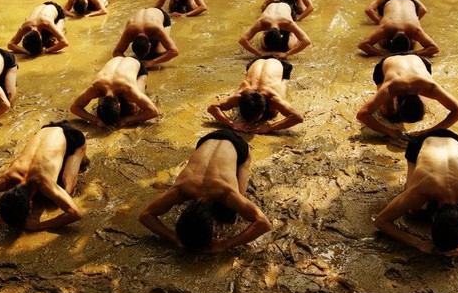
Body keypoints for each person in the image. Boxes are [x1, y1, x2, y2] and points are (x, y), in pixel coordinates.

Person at [374, 130, 458, 255]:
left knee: (418, 206)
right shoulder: (421, 191)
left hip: (456, 142)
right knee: (414, 210)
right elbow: (380, 221)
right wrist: (418, 243)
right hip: (420, 143)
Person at [139, 129, 272, 252]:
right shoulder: (181, 189)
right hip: (207, 141)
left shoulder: (227, 193)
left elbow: (264, 223)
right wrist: (174, 237)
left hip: (238, 146)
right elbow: (145, 215)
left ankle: (241, 165)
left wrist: (226, 244)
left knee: (231, 214)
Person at [0, 122, 86, 230]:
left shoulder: (43, 181)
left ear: (30, 204)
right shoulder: (8, 178)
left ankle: (82, 153)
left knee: (68, 188)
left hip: (71, 137)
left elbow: (76, 213)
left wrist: (39, 225)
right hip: (45, 130)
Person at [356, 54, 458, 139]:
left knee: (425, 109)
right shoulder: (390, 88)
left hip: (419, 61)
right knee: (388, 113)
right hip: (387, 63)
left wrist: (431, 131)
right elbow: (362, 114)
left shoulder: (430, 86)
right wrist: (389, 132)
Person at [208, 58, 303, 133]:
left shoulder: (273, 100)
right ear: (240, 103)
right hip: (254, 63)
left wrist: (269, 128)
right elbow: (212, 107)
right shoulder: (240, 96)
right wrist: (232, 123)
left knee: (275, 110)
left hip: (280, 64)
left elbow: (297, 118)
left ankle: (284, 80)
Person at [70, 56, 159, 128]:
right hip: (116, 62)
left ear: (119, 104)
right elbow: (74, 107)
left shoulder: (129, 90)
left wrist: (126, 119)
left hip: (137, 65)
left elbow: (154, 112)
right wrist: (96, 120)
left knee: (135, 108)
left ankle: (142, 85)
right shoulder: (96, 87)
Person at [358, 0, 438, 57]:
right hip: (389, 2)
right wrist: (385, 54)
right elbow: (362, 45)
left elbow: (435, 48)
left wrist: (411, 54)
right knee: (383, 43)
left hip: (406, 3)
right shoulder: (387, 28)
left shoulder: (414, 29)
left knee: (412, 45)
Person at [239, 1, 312, 58]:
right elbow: (242, 40)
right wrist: (259, 53)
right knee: (260, 42)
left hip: (287, 7)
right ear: (265, 33)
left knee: (293, 35)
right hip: (269, 7)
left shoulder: (288, 23)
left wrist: (287, 54)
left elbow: (306, 41)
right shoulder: (261, 23)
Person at [112, 7, 180, 67]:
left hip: (161, 16)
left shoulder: (157, 30)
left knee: (158, 52)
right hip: (143, 16)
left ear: (149, 45)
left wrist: (151, 63)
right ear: (132, 41)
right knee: (146, 56)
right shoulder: (129, 31)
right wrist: (128, 63)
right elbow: (116, 52)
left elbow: (174, 52)